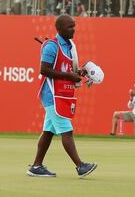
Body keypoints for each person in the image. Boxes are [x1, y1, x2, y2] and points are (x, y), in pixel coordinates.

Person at [27, 14, 97, 178]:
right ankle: (80, 166)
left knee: (48, 131)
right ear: (59, 29)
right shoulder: (52, 46)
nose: (74, 29)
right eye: (70, 26)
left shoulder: (69, 46)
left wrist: (79, 73)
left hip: (62, 93)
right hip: (51, 93)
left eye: (74, 26)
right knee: (66, 130)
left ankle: (36, 167)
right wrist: (69, 76)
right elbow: (44, 70)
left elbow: (66, 69)